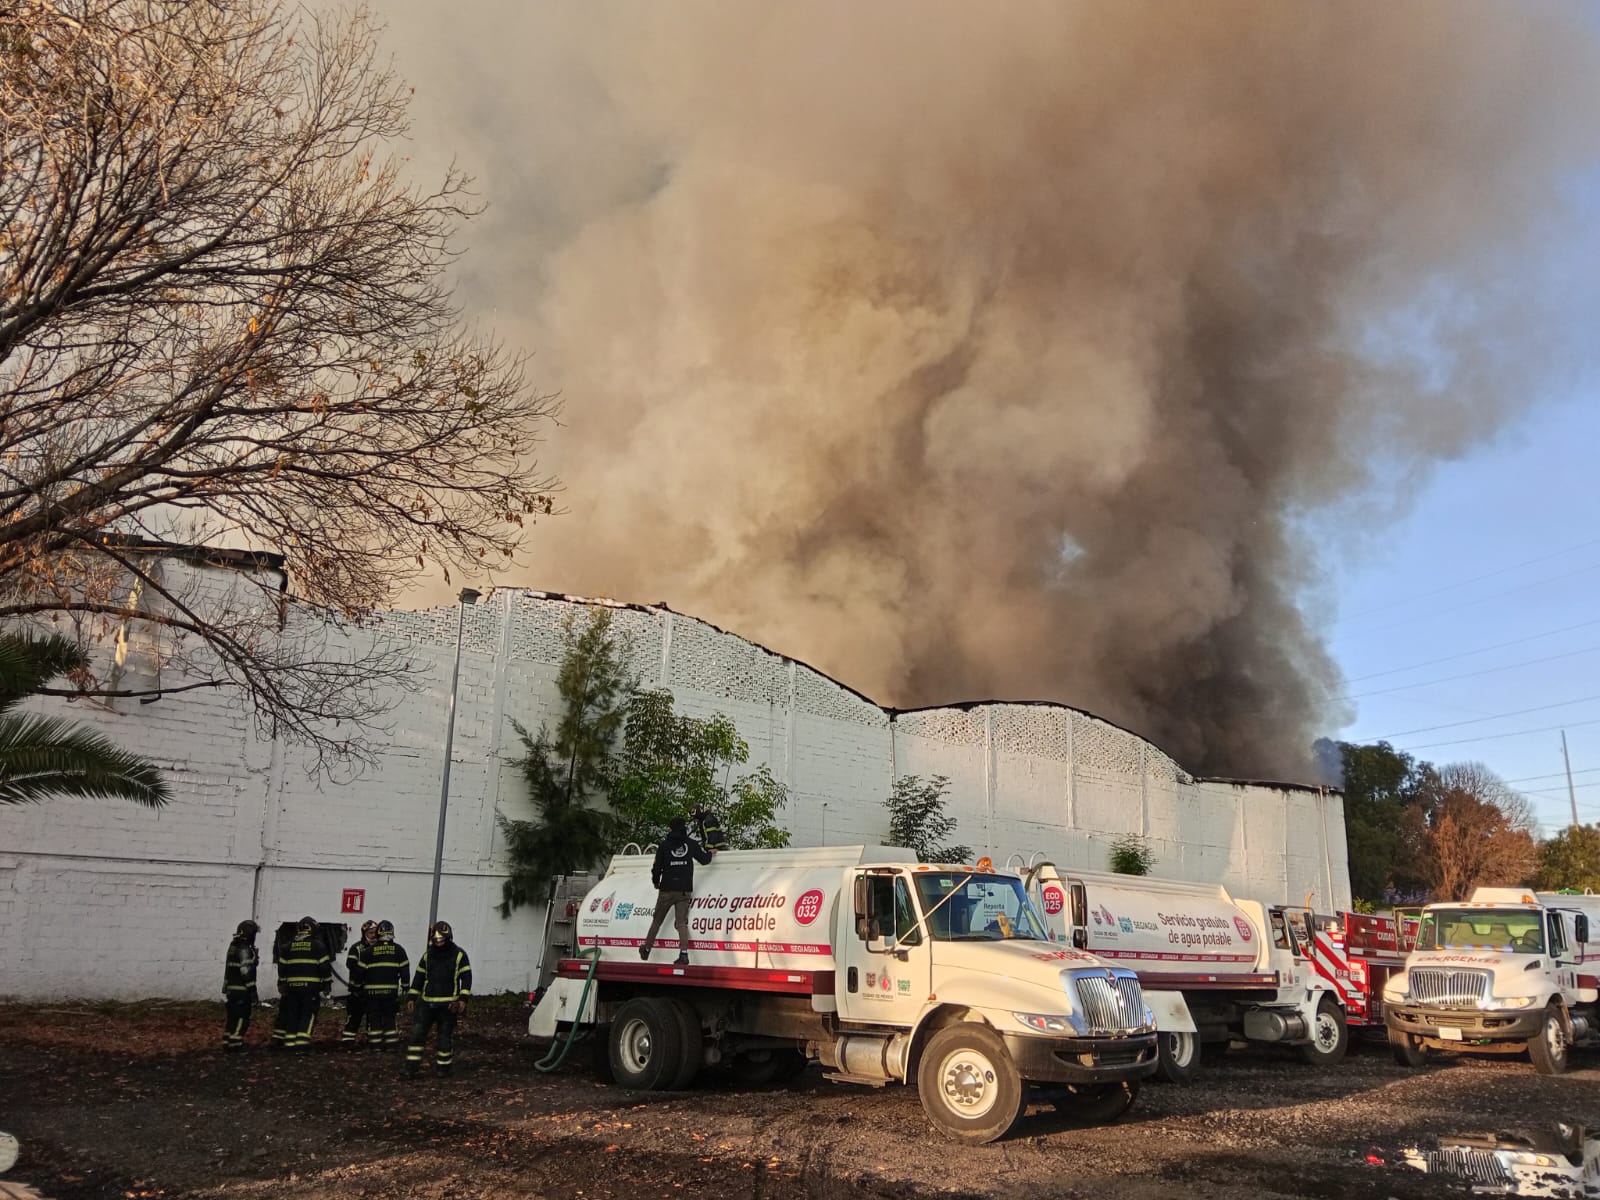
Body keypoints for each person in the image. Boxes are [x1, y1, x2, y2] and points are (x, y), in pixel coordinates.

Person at [639, 816, 713, 965]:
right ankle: (684, 954)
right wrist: (710, 852)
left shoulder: (664, 846)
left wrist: (656, 882)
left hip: (666, 889)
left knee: (657, 921)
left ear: (670, 828)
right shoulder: (690, 844)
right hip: (684, 890)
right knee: (681, 923)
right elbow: (705, 860)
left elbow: (656, 868)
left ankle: (646, 949)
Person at [405, 921, 471, 1077]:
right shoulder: (428, 955)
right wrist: (412, 997)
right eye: (435, 940)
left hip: (448, 1005)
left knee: (444, 1038)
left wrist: (463, 999)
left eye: (441, 939)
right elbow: (419, 977)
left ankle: (444, 1069)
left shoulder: (459, 955)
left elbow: (466, 977)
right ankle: (410, 1068)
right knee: (417, 1035)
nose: (438, 942)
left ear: (448, 937)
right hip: (426, 1003)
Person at [275, 915, 332, 1053]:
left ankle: (289, 1044)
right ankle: (301, 1045)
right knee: (308, 1015)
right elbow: (324, 967)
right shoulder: (318, 946)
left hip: (292, 989)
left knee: (293, 1015)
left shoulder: (287, 946)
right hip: (310, 989)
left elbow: (282, 969)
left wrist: (283, 983)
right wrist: (327, 983)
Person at [355, 919, 410, 1049]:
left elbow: (359, 972)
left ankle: (375, 1045)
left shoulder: (368, 951)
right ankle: (391, 1044)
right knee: (389, 1018)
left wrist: (357, 987)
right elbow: (405, 971)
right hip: (390, 993)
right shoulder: (399, 950)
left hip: (371, 994)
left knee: (374, 1018)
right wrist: (405, 986)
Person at [222, 920, 260, 1052]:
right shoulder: (244, 949)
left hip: (231, 990)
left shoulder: (232, 947)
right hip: (242, 991)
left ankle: (227, 1041)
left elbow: (229, 969)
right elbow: (246, 972)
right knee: (241, 1018)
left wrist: (225, 988)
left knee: (232, 1018)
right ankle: (235, 1044)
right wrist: (253, 991)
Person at [340, 920, 378, 1048]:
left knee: (373, 1017)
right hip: (357, 989)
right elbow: (350, 964)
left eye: (375, 932)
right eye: (370, 932)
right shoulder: (356, 947)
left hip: (373, 989)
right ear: (364, 933)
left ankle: (371, 1040)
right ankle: (348, 1040)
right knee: (354, 1016)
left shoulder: (380, 948)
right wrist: (363, 972)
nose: (373, 935)